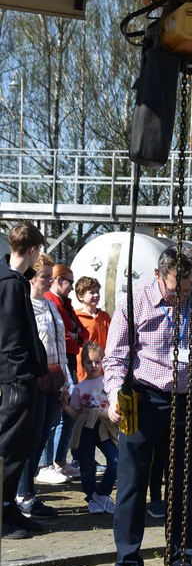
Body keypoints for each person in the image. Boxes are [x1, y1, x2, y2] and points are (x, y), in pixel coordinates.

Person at [103, 247, 192, 566]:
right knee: (132, 485)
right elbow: (115, 356)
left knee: (183, 484)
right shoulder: (135, 301)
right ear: (160, 276)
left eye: (188, 289)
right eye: (176, 290)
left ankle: (181, 559)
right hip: (144, 400)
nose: (182, 296)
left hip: (190, 400)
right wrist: (115, 392)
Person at [0, 223, 48, 540]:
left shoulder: (15, 281)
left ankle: (10, 509)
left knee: (20, 448)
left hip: (18, 377)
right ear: (32, 250)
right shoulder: (11, 285)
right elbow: (11, 336)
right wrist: (23, 375)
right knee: (7, 447)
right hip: (14, 380)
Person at [16, 253, 69, 517]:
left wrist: (66, 383)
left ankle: (28, 492)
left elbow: (60, 347)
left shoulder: (50, 306)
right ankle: (23, 493)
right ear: (32, 276)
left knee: (43, 435)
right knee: (32, 437)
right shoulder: (26, 306)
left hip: (55, 379)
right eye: (44, 275)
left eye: (51, 276)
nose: (49, 280)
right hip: (36, 380)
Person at [40, 264, 89, 480]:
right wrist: (74, 334)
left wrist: (74, 334)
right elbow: (62, 336)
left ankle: (59, 460)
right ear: (59, 280)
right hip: (56, 362)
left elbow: (82, 333)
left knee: (68, 412)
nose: (71, 285)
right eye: (69, 281)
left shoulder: (66, 304)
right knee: (56, 413)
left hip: (67, 359)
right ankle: (45, 465)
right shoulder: (51, 302)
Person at [64, 342, 118, 514]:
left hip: (106, 427)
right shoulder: (79, 388)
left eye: (97, 362)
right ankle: (91, 498)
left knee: (116, 460)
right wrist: (64, 406)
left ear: (103, 361)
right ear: (82, 364)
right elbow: (76, 412)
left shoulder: (108, 382)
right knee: (87, 466)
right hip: (86, 429)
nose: (93, 366)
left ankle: (102, 494)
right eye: (89, 362)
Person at [74, 276, 111, 382]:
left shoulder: (104, 316)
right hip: (85, 368)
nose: (96, 295)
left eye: (97, 292)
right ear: (80, 296)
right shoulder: (77, 317)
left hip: (102, 367)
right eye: (91, 292)